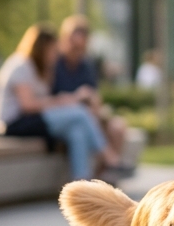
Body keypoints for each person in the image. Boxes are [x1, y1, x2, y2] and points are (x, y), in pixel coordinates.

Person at [0, 23, 120, 181]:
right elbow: (28, 105)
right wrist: (61, 101)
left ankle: (81, 184)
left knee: (77, 131)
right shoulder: (21, 65)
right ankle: (110, 158)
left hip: (33, 121)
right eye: (52, 50)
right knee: (80, 113)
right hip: (14, 123)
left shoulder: (42, 69)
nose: (56, 54)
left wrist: (63, 100)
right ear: (42, 48)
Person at [53, 15, 128, 163]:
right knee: (80, 130)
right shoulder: (54, 63)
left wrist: (93, 103)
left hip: (89, 113)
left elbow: (95, 95)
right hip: (65, 114)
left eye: (82, 47)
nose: (77, 51)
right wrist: (76, 97)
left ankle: (107, 171)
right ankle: (111, 160)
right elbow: (50, 98)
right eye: (74, 46)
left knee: (117, 127)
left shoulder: (86, 65)